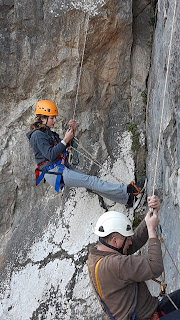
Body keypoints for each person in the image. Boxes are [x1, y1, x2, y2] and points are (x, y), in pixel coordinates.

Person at [26, 100, 147, 208]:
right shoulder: (37, 135)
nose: (55, 120)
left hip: (59, 169)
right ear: (42, 118)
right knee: (92, 181)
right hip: (55, 172)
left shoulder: (48, 133)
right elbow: (50, 154)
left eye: (54, 117)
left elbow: (65, 147)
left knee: (93, 184)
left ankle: (129, 200)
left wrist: (72, 132)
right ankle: (129, 190)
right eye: (52, 118)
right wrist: (65, 140)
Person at [88, 195, 180, 320]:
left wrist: (151, 216)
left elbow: (131, 243)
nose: (130, 242)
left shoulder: (98, 255)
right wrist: (152, 230)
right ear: (115, 241)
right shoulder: (114, 264)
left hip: (151, 311)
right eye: (127, 239)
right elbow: (155, 267)